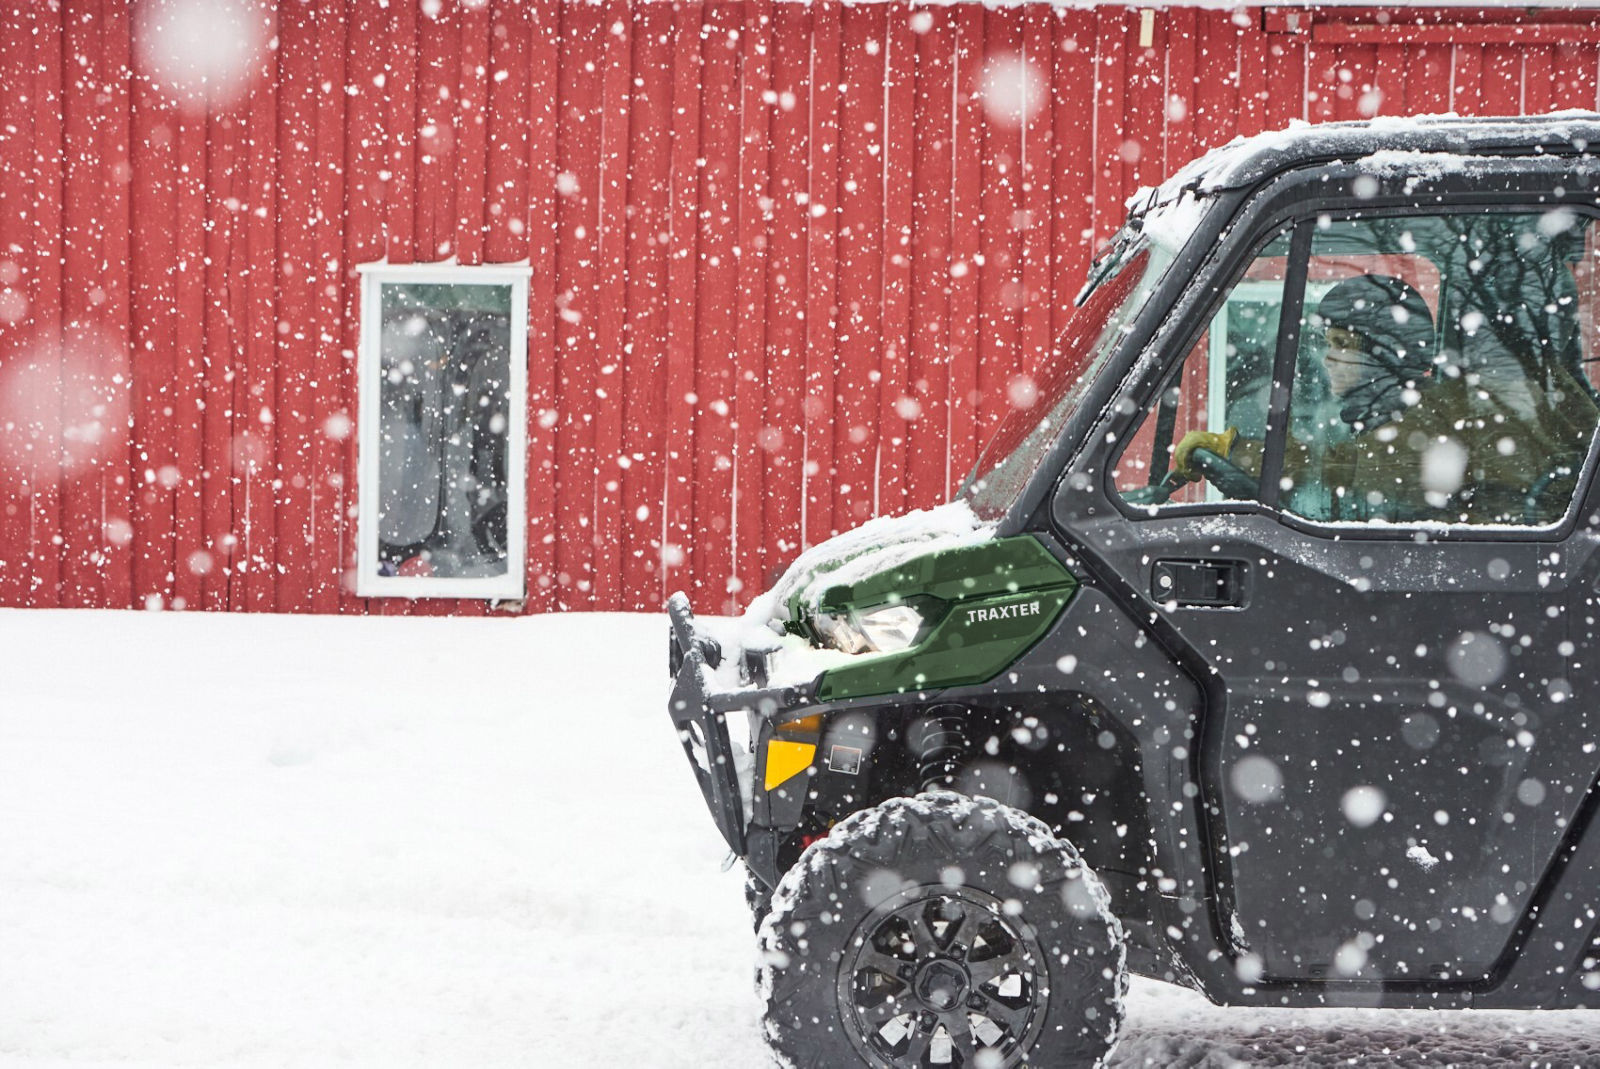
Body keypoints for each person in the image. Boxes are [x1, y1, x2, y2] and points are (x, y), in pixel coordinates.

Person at [1175, 274, 1597, 524]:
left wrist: (1250, 460)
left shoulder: (1425, 425)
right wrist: (1237, 451)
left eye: (1341, 343)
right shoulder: (1400, 416)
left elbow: (1338, 475)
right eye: (1325, 342)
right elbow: (1337, 462)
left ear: (1386, 354)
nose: (1327, 357)